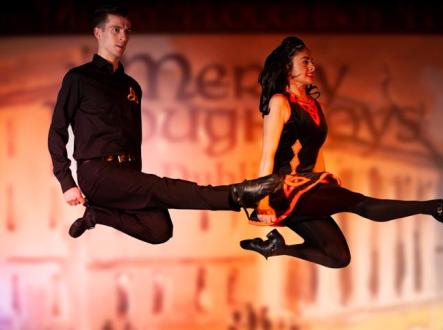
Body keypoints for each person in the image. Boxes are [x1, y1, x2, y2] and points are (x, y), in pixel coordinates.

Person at [47, 4, 281, 243]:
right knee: (160, 188)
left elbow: (132, 137)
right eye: (115, 29)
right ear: (98, 33)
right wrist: (67, 182)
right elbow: (57, 131)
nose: (123, 36)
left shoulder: (131, 86)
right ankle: (237, 195)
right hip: (97, 173)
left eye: (127, 30)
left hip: (126, 174)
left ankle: (97, 215)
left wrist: (134, 178)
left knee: (159, 230)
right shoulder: (79, 79)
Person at [239, 36, 443, 268]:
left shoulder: (314, 105)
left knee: (338, 257)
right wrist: (263, 203)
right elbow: (267, 154)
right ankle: (437, 207)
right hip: (283, 190)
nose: (313, 66)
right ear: (287, 69)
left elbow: (314, 151)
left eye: (312, 61)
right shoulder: (280, 101)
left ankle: (277, 248)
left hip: (307, 189)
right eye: (305, 61)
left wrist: (323, 184)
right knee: (362, 204)